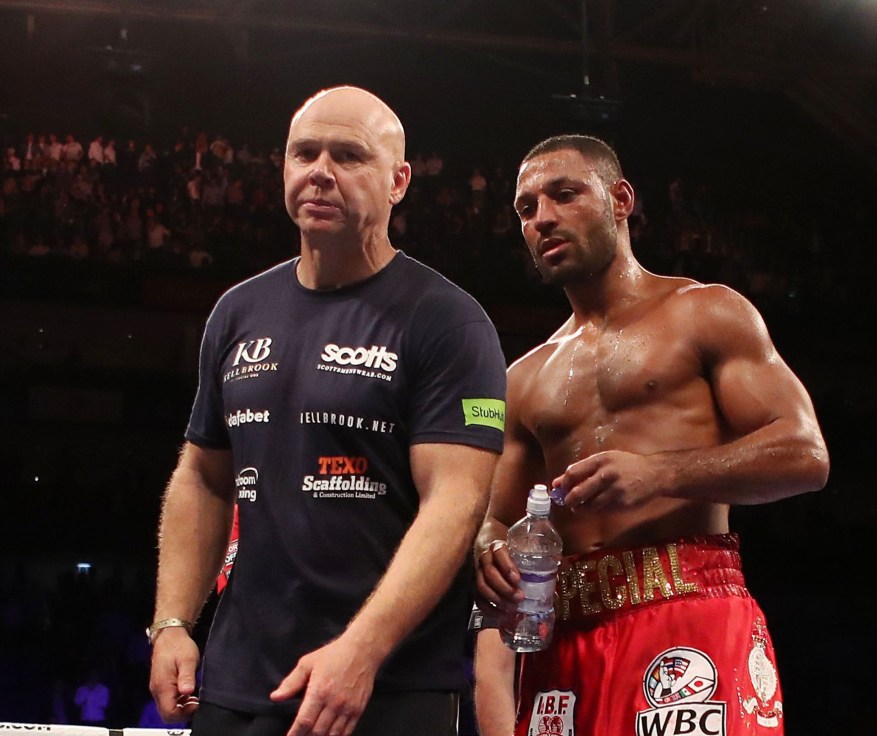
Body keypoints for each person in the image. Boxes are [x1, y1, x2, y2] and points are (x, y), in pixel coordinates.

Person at [148, 86, 507, 736]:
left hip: (387, 687)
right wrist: (173, 622)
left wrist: (361, 649)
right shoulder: (237, 312)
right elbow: (202, 477)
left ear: (398, 181)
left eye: (347, 155)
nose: (319, 170)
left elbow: (455, 504)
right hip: (236, 682)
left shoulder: (449, 321)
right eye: (303, 153)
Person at [473, 135, 829, 736]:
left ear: (620, 199)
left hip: (687, 616)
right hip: (565, 641)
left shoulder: (707, 312)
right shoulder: (524, 378)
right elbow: (499, 518)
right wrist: (488, 549)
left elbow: (804, 453)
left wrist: (661, 472)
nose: (543, 219)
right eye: (526, 208)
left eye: (564, 194)